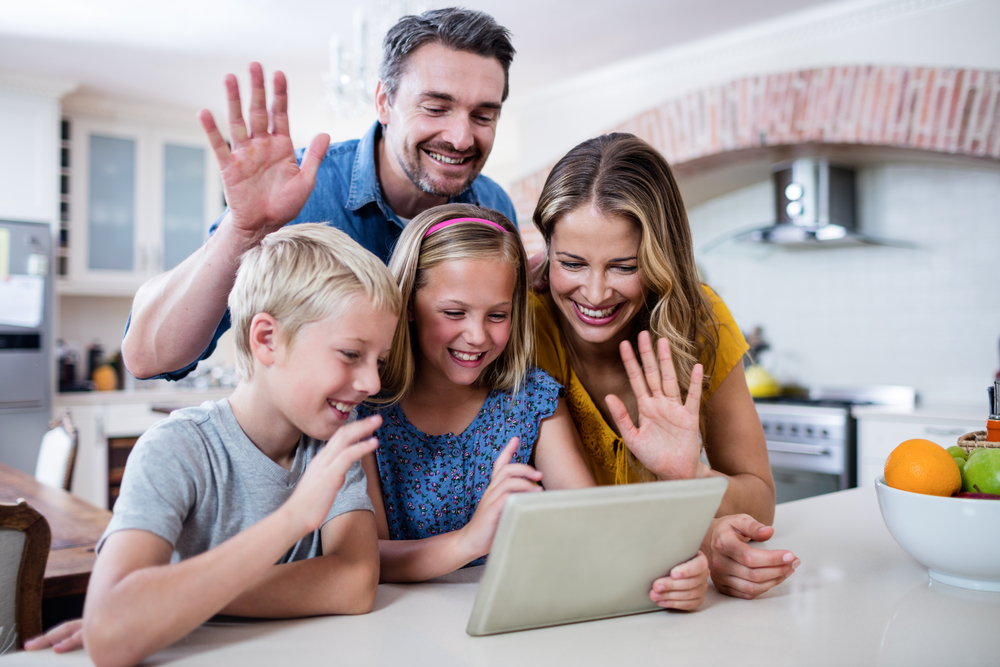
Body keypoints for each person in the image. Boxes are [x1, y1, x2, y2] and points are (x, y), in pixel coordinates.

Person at [25, 224, 401, 664]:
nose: (372, 381)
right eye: (351, 355)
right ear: (266, 340)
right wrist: (295, 518)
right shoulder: (176, 449)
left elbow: (355, 582)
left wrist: (174, 604)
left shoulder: (331, 441)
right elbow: (111, 634)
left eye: (380, 360)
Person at [121, 7, 517, 382]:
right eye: (435, 108)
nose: (461, 138)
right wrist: (242, 231)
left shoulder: (494, 209)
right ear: (384, 102)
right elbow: (148, 358)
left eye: (483, 116)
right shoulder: (296, 195)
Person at [354, 203, 711, 611]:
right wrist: (468, 541)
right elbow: (368, 557)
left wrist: (676, 566)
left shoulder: (531, 402)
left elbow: (594, 530)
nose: (476, 336)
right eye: (454, 313)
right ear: (409, 306)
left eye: (498, 315)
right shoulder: (366, 411)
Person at [530, 133, 800, 600]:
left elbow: (760, 501)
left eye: (623, 267)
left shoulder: (700, 319)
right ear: (547, 249)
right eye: (571, 263)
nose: (594, 294)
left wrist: (688, 478)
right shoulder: (523, 326)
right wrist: (697, 533)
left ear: (662, 258)